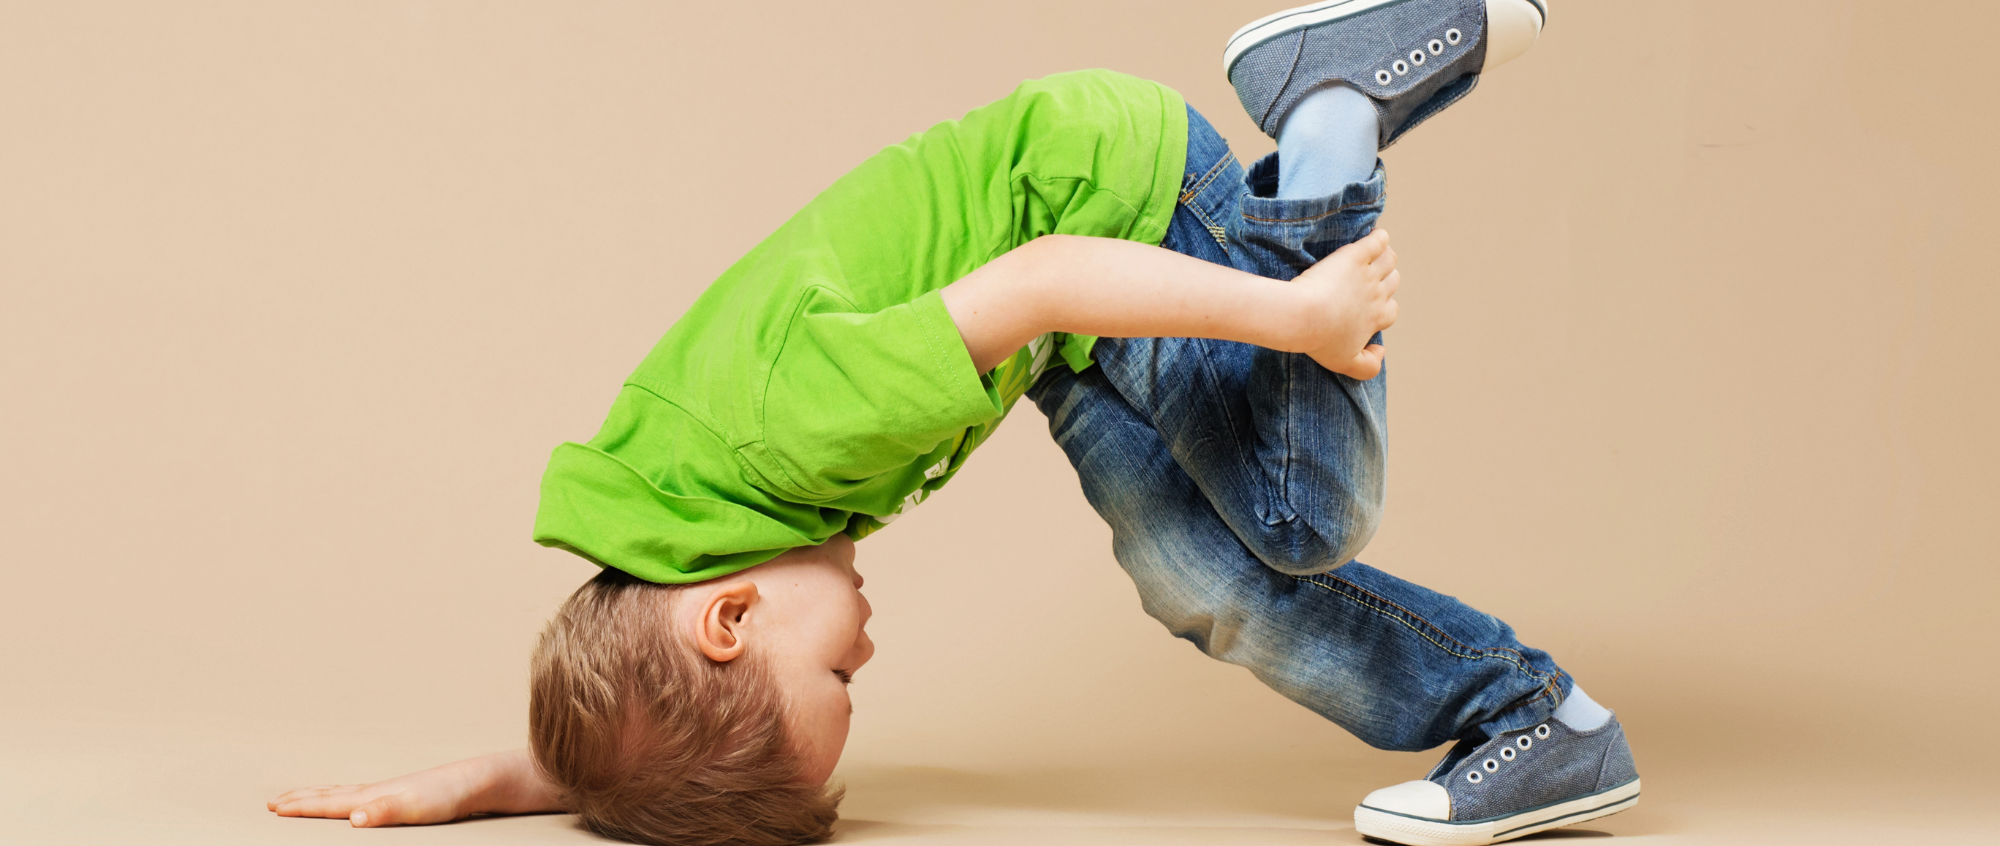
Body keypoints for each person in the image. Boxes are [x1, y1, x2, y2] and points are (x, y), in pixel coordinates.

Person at [267, 2, 1637, 845]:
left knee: (1304, 515)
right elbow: (650, 699)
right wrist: (544, 773)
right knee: (1203, 582)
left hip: (1105, 202)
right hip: (1057, 329)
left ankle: (1331, 111)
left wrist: (1306, 318)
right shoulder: (682, 533)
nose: (868, 647)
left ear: (729, 617)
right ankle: (1536, 729)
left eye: (840, 679)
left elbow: (1040, 275)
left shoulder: (785, 436)